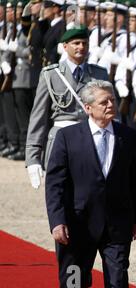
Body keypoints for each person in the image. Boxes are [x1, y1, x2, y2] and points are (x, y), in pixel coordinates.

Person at [45, 79, 136, 288]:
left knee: (118, 287)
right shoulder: (68, 137)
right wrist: (57, 221)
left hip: (117, 225)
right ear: (88, 108)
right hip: (76, 226)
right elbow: (55, 183)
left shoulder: (127, 136)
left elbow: (135, 180)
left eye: (112, 100)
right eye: (104, 102)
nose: (110, 105)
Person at [25, 26, 108, 189]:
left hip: (91, 139)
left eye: (84, 43)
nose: (81, 47)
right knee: (60, 194)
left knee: (91, 194)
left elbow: (110, 113)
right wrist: (33, 157)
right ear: (65, 46)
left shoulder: (99, 74)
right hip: (60, 140)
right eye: (76, 43)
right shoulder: (51, 74)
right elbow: (38, 117)